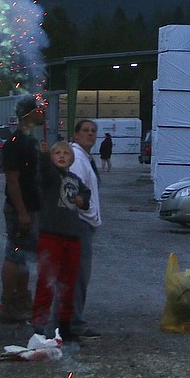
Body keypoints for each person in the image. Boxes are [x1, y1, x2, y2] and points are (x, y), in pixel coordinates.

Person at [32, 140, 92, 342]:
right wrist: (42, 155)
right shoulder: (49, 177)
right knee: (46, 282)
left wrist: (82, 200)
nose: (62, 155)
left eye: (66, 152)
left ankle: (65, 327)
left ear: (72, 158)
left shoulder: (74, 179)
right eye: (57, 152)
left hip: (72, 237)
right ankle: (39, 328)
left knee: (68, 283)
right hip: (51, 235)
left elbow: (86, 193)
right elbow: (43, 171)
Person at [0, 96, 44, 324]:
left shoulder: (30, 141)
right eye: (39, 109)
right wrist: (22, 212)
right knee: (14, 254)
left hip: (31, 207)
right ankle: (8, 303)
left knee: (25, 255)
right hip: (20, 209)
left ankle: (21, 300)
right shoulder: (15, 143)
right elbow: (12, 181)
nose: (43, 112)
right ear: (28, 114)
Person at [69, 119, 103, 340]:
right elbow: (75, 193)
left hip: (85, 222)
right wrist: (86, 213)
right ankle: (74, 322)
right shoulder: (76, 159)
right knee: (78, 275)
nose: (90, 135)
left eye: (93, 131)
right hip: (79, 223)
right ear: (76, 134)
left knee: (80, 275)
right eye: (86, 131)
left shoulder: (85, 158)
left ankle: (73, 320)